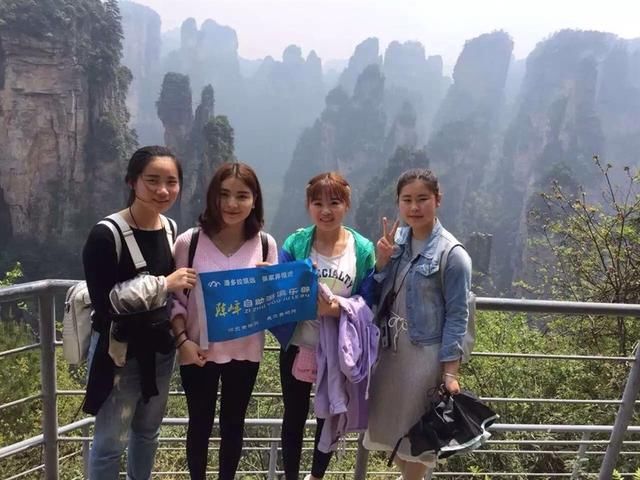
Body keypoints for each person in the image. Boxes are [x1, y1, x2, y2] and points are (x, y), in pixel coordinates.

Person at [83, 145, 196, 479]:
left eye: (171, 182)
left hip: (160, 350)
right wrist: (164, 283)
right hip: (119, 353)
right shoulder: (106, 234)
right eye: (152, 180)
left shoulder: (170, 228)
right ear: (132, 181)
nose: (163, 190)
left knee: (148, 433)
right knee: (109, 443)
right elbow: (105, 303)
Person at [170, 162, 278, 480]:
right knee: (199, 424)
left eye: (242, 196)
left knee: (234, 424)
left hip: (245, 351)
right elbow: (174, 301)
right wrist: (182, 342)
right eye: (224, 194)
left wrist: (272, 285)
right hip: (197, 351)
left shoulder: (266, 245)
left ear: (254, 200)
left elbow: (272, 306)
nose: (232, 204)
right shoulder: (189, 243)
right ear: (212, 197)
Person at [363, 168, 472, 480]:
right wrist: (381, 261)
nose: (414, 207)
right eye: (406, 199)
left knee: (420, 435)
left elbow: (458, 316)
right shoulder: (395, 242)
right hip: (390, 352)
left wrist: (450, 372)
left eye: (422, 199)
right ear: (398, 202)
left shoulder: (452, 254)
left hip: (425, 357)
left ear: (438, 200)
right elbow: (377, 293)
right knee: (394, 433)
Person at [273, 172, 376, 480]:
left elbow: (368, 300)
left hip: (338, 349)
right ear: (308, 206)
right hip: (298, 345)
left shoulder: (361, 249)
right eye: (317, 203)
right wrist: (270, 277)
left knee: (330, 414)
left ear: (347, 205)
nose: (326, 210)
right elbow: (280, 288)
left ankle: (316, 476)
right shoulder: (296, 243)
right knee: (293, 415)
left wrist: (335, 309)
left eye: (334, 202)